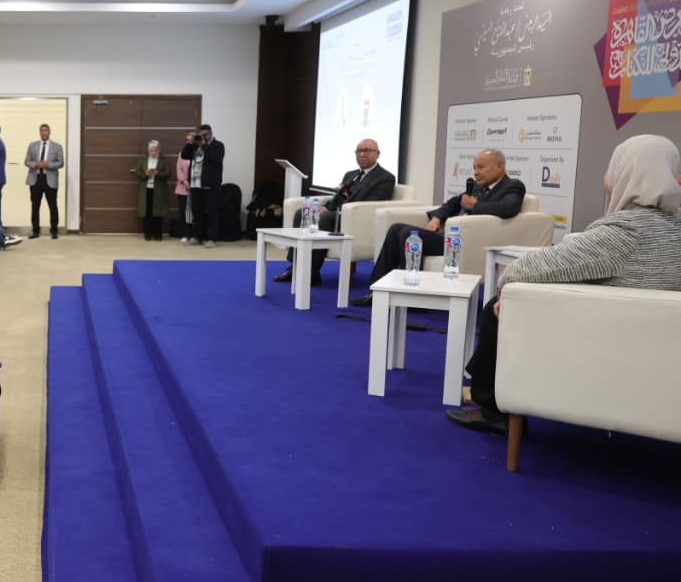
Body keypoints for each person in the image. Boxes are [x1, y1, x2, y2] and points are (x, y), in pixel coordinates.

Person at [448, 134, 681, 435]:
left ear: (626, 173)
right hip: (657, 354)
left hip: (599, 342)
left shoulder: (624, 232)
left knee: (498, 307)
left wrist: (505, 288)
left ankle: (493, 408)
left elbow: (524, 269)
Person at [352, 148, 525, 306]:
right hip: (447, 236)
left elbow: (508, 208)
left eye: (481, 167)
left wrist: (475, 205)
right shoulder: (478, 187)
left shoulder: (512, 186)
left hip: (463, 243)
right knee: (396, 229)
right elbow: (452, 203)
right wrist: (436, 218)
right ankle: (376, 290)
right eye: (474, 168)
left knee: (408, 234)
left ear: (499, 167)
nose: (476, 172)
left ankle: (409, 297)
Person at [275, 138, 395, 285]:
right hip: (337, 214)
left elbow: (373, 203)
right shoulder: (351, 175)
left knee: (325, 219)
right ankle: (295, 267)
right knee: (302, 213)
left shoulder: (385, 178)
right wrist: (327, 207)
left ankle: (311, 272)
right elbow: (341, 196)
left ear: (378, 154)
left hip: (356, 220)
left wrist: (338, 211)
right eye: (358, 151)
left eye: (367, 151)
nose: (362, 154)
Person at [180, 124, 224, 247]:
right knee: (197, 213)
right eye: (201, 135)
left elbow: (214, 158)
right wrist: (190, 143)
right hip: (195, 184)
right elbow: (184, 155)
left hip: (210, 186)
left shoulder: (218, 146)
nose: (203, 137)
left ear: (211, 133)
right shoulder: (195, 146)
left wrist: (204, 145)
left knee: (211, 213)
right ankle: (197, 236)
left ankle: (212, 239)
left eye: (205, 134)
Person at [24, 124, 64, 239]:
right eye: (41, 131)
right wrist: (35, 164)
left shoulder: (57, 146)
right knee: (35, 206)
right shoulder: (32, 145)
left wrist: (48, 164)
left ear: (49, 132)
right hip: (35, 179)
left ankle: (54, 231)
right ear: (39, 132)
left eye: (45, 130)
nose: (43, 132)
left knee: (53, 206)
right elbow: (27, 161)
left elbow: (61, 163)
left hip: (50, 179)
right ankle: (35, 230)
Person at [135, 140, 172, 241]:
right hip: (146, 190)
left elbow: (168, 173)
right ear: (148, 150)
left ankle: (157, 234)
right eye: (151, 150)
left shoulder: (164, 161)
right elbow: (138, 173)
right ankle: (147, 234)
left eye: (155, 150)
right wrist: (145, 174)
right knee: (146, 213)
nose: (153, 152)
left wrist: (158, 173)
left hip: (159, 191)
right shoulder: (142, 161)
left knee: (158, 213)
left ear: (159, 150)